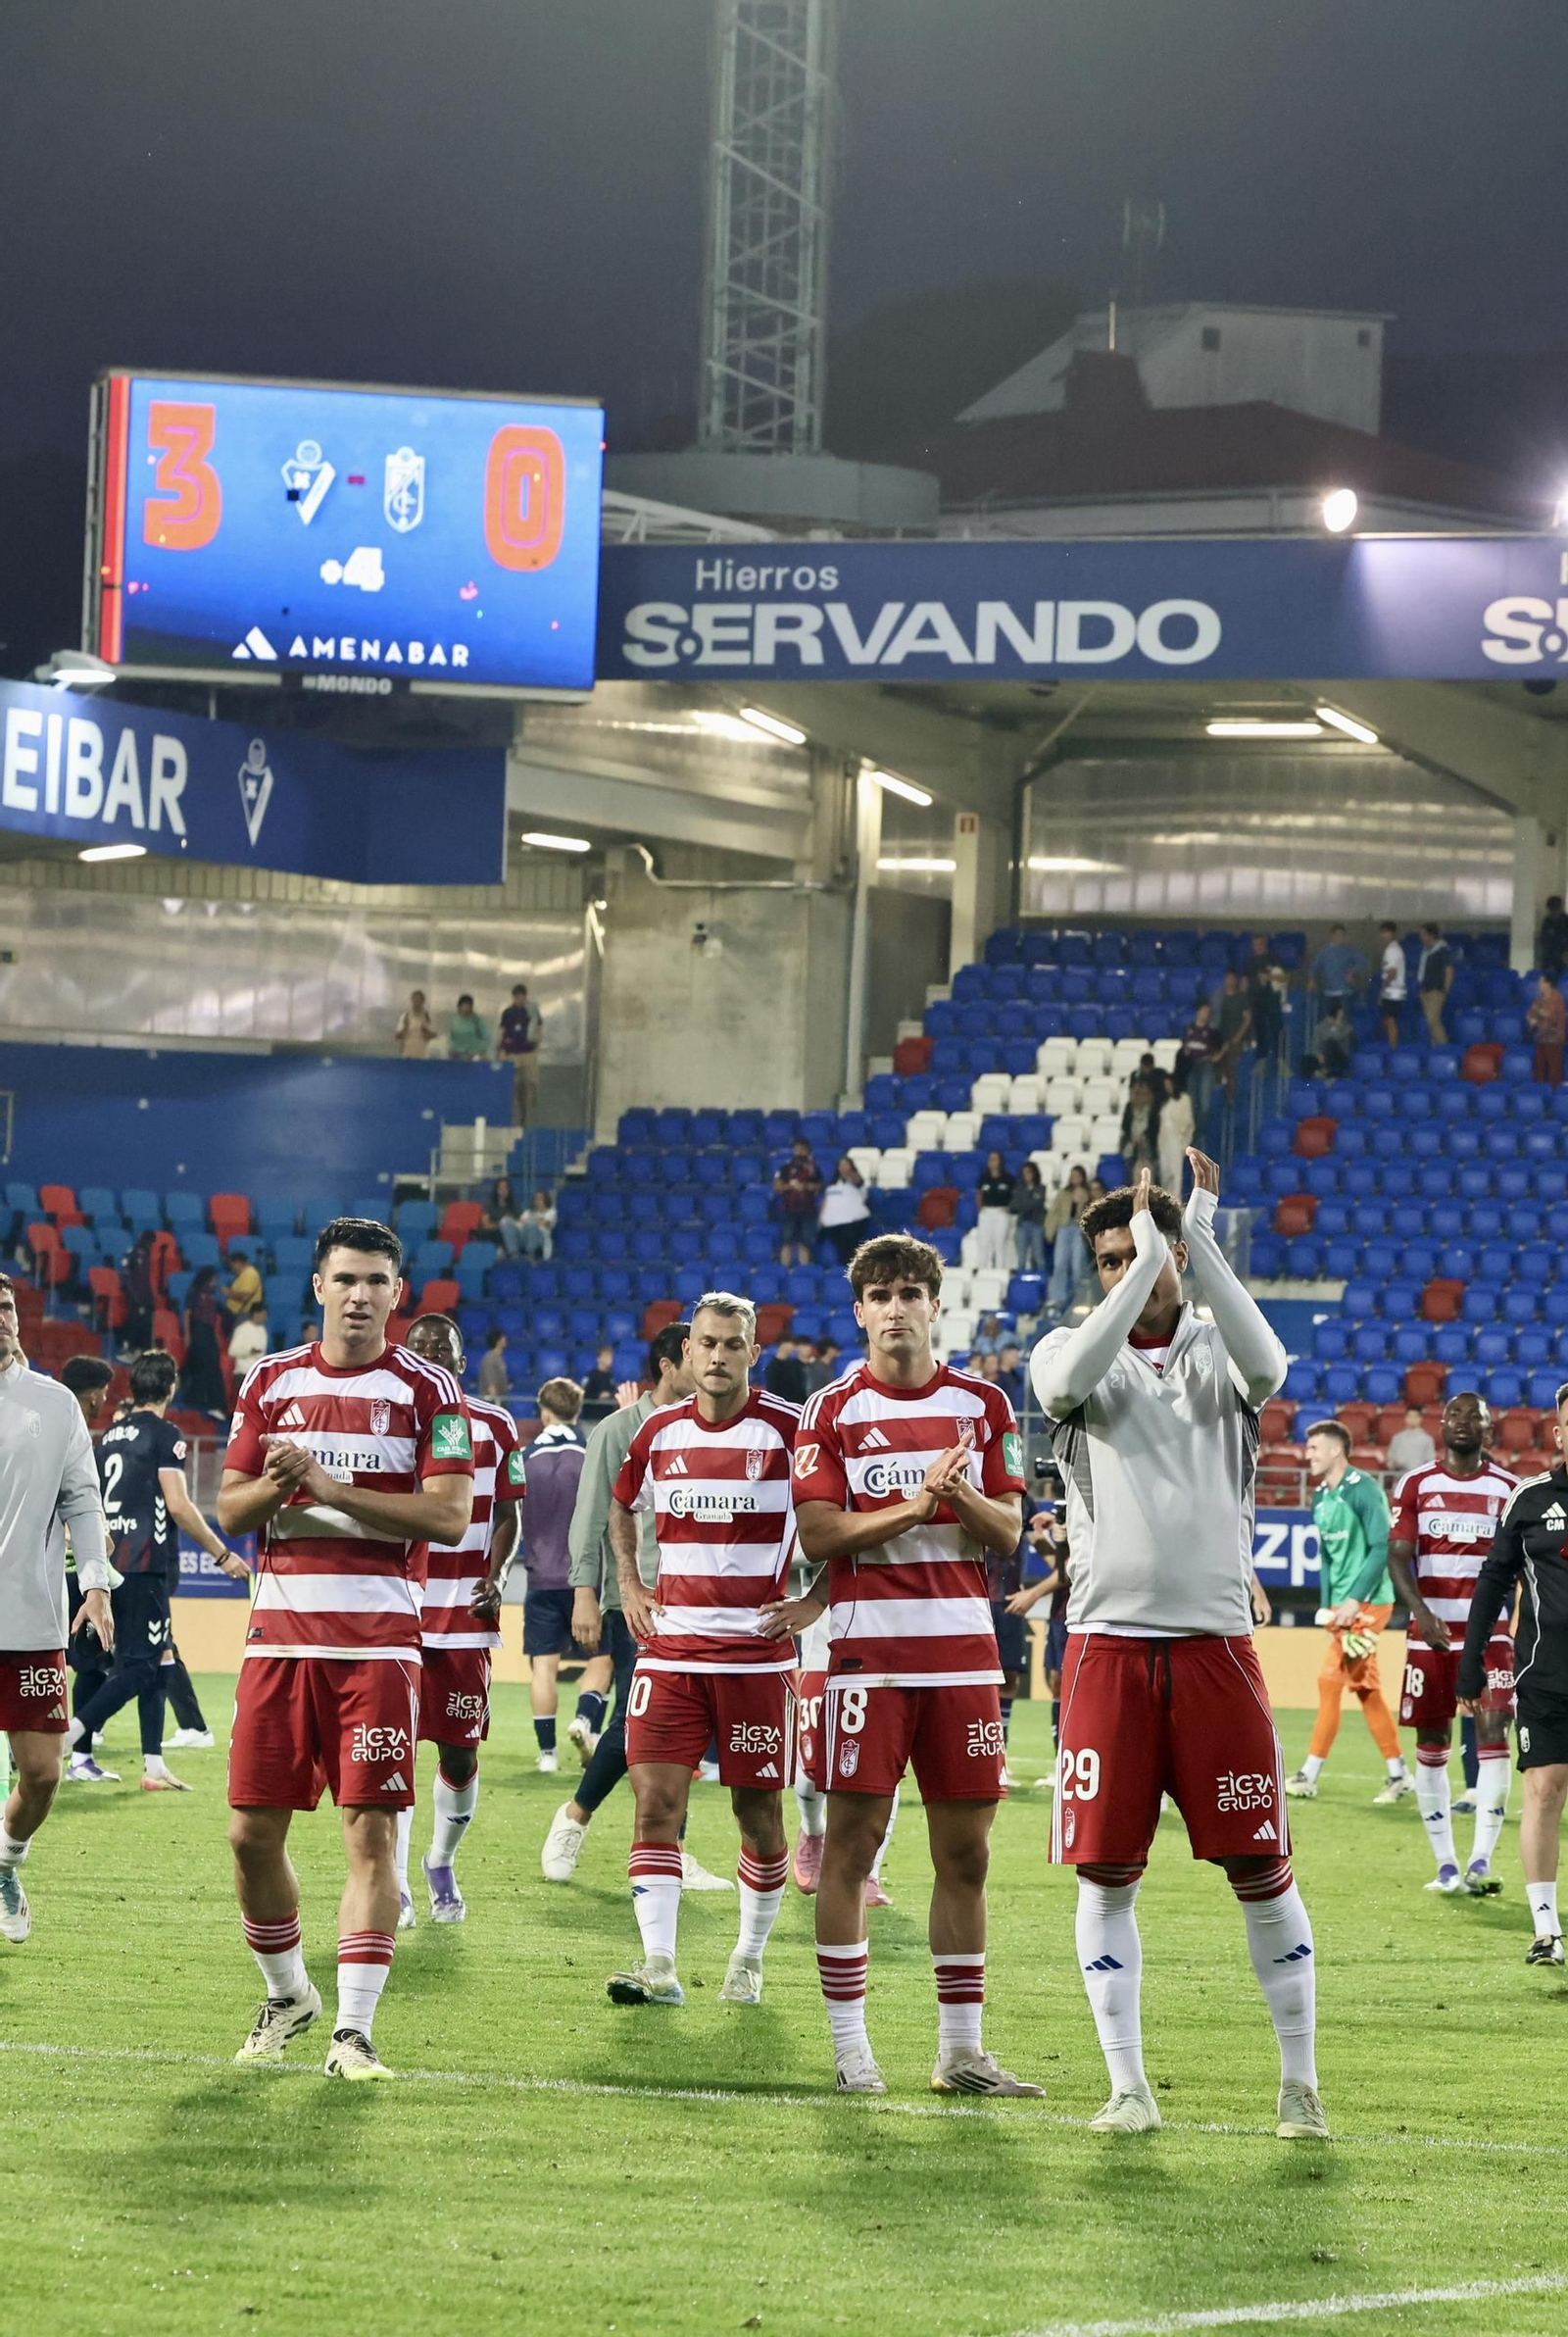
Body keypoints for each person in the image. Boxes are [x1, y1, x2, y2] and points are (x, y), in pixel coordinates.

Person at [1031, 1160, 1328, 2142]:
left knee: (1261, 1867)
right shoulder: (1066, 1351)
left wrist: (1186, 1248)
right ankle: (1126, 2084)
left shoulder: (1214, 1346)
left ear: (1180, 1260)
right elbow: (1070, 1381)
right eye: (1113, 1257)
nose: (1133, 1269)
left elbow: (1273, 1367)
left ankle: (1299, 2085)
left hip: (1215, 1650)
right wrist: (1152, 1250)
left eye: (1145, 1254)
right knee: (1105, 1875)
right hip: (1107, 1651)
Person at [777, 1233, 1041, 2099]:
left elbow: (1008, 1533)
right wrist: (914, 1505)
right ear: (859, 1313)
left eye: (910, 1292)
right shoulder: (829, 1412)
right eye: (880, 1295)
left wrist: (957, 1494)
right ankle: (853, 2052)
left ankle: (960, 2053)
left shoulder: (983, 1404)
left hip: (963, 1660)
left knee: (966, 1857)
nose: (896, 1308)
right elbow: (819, 1535)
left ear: (937, 1305)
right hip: (866, 1662)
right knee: (851, 1849)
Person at [217, 1217, 474, 2081]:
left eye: (376, 1282)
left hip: (379, 1647)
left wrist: (331, 1486)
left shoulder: (431, 1391)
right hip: (280, 1642)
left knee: (373, 1837)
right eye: (345, 1280)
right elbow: (230, 1511)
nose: (360, 1296)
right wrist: (276, 1484)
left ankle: (354, 2033)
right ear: (319, 1288)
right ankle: (290, 1994)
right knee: (250, 1835)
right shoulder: (270, 1381)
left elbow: (447, 1515)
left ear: (398, 1294)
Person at [604, 1294, 801, 2010]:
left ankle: (748, 1957)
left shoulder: (790, 1431)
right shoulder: (655, 1432)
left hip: (757, 1657)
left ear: (755, 1353)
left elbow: (845, 1519)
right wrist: (629, 1579)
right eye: (707, 1344)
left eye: (733, 1345)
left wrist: (816, 1600)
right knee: (655, 1805)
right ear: (686, 1354)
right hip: (672, 1650)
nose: (718, 1357)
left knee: (759, 1818)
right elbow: (621, 1503)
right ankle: (659, 1965)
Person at [541, 1324, 729, 1895]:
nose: (712, 1361)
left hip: (700, 1603)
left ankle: (667, 1850)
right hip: (637, 1600)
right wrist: (585, 1591)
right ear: (672, 1365)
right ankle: (574, 1818)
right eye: (700, 1351)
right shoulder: (619, 1429)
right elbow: (592, 1515)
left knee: (685, 1729)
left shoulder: (715, 1427)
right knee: (638, 1720)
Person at [65, 1350, 246, 1792]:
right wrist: (222, 1553)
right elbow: (179, 1504)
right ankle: (68, 1737)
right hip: (146, 1564)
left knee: (158, 1661)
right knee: (141, 1668)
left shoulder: (110, 1435)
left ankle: (153, 1763)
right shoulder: (167, 1435)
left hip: (110, 1564)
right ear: (171, 1387)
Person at [394, 1315, 524, 1926]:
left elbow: (507, 1516)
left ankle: (440, 1861)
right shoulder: (391, 1417)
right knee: (386, 1753)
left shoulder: (496, 1427)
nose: (428, 1358)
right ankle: (393, 1884)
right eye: (417, 1349)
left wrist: (496, 1577)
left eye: (440, 1350)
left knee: (460, 1754)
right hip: (396, 1610)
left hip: (464, 1615)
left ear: (461, 1362)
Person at [0, 1271, 113, 1946]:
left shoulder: (56, 1402)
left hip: (30, 1619)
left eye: (8, 1305)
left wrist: (95, 1581)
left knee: (43, 1773)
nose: (2, 1316)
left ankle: (6, 1861)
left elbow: (83, 1499)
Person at [1388, 1393, 1520, 1898]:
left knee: (1492, 1734)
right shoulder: (1416, 1484)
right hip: (1431, 1639)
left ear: (1490, 1428)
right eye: (1455, 1415)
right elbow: (1399, 1555)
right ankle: (1445, 1863)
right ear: (1441, 1424)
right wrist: (1421, 1613)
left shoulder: (1509, 1489)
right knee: (1433, 1741)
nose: (1464, 1422)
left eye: (1475, 1417)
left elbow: (1525, 1568)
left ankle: (1481, 1858)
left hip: (1489, 1638)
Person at [1458, 1382, 1568, 1966]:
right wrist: (1470, 1663)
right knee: (1544, 1792)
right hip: (1545, 1677)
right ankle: (1547, 1930)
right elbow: (1492, 1584)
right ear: (1558, 1434)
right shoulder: (1529, 1499)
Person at [1285, 1421, 1411, 1805]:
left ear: (1336, 1450)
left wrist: (1355, 1599)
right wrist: (1327, 1606)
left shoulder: (1364, 1490)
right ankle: (1398, 1773)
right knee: (1366, 1690)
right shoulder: (1320, 1497)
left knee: (1329, 1682)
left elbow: (1379, 1548)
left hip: (1370, 1602)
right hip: (1343, 1608)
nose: (1308, 1454)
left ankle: (1309, 1773)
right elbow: (1326, 1555)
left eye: (1314, 1447)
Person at [517, 1377, 610, 1773]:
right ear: (577, 1411)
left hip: (539, 1577)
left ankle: (547, 1756)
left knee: (543, 1667)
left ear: (544, 1411)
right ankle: (586, 1720)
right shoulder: (590, 1456)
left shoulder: (524, 1458)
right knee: (602, 1659)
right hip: (585, 1582)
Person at [57, 1356, 118, 1780]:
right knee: (93, 1661)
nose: (106, 1401)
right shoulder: (65, 1426)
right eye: (105, 1393)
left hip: (61, 1572)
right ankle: (77, 1753)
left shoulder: (50, 1420)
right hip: (70, 1573)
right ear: (93, 1392)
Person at [1006, 1505, 1069, 1751]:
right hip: (1059, 1611)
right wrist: (1040, 1536)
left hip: (1076, 1611)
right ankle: (1060, 1762)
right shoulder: (1063, 1523)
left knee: (1068, 1683)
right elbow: (1061, 1566)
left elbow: (1071, 1571)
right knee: (1056, 1681)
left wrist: (1032, 1594)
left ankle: (1069, 1758)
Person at [1045, 1166, 1092, 1317]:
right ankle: (1058, 1297)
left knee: (1077, 1265)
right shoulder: (1063, 1193)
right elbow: (1054, 1212)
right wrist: (1050, 1230)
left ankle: (1078, 1297)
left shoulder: (1087, 1193)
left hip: (1078, 1228)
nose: (1074, 1178)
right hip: (1064, 1228)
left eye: (1077, 1175)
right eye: (1072, 1175)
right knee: (1060, 1263)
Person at [180, 1266, 227, 1414]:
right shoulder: (194, 1292)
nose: (215, 1282)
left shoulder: (213, 1294)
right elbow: (187, 1313)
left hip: (208, 1331)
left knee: (213, 1364)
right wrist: (187, 1333)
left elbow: (212, 1317)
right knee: (202, 1363)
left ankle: (214, 1402)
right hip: (197, 1329)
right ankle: (199, 1399)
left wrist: (215, 1335)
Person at [496, 981, 543, 1127]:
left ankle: (526, 1120)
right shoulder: (508, 1013)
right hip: (513, 1054)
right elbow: (502, 1033)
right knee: (512, 1086)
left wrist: (536, 1047)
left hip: (528, 1054)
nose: (520, 999)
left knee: (528, 1087)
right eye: (517, 997)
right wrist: (501, 1051)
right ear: (513, 997)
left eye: (522, 997)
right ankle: (511, 1119)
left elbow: (539, 1030)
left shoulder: (532, 1012)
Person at [773, 1138, 823, 1268]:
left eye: (803, 1149)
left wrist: (805, 1186)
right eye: (797, 1149)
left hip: (807, 1210)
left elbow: (819, 1187)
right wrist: (791, 1186)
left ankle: (804, 1270)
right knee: (787, 1242)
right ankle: (784, 1270)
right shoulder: (786, 1167)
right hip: (788, 1209)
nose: (800, 1152)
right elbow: (777, 1186)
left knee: (804, 1243)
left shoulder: (813, 1168)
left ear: (808, 1151)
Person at [1176, 1001, 1220, 1143]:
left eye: (1208, 1012)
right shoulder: (1189, 1028)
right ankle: (1194, 1133)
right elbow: (1184, 1046)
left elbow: (1224, 1044)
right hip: (1191, 1066)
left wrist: (1217, 1056)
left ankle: (1201, 1131)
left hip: (1205, 1065)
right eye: (1204, 1011)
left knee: (1204, 1103)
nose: (1205, 1015)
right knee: (1192, 1101)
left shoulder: (1211, 1031)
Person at [818, 1157, 871, 1268]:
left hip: (852, 1223)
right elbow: (826, 1203)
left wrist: (849, 1173)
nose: (843, 1167)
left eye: (846, 1165)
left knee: (849, 1243)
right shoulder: (832, 1186)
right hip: (834, 1224)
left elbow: (858, 1182)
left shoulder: (856, 1183)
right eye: (841, 1165)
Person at [1245, 934, 1286, 1070]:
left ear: (1265, 943)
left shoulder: (1273, 958)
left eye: (1260, 944)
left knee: (1276, 1028)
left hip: (1271, 998)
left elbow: (1284, 977)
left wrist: (1269, 977)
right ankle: (1261, 1059)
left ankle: (1280, 1059)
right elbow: (1245, 981)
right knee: (1259, 1029)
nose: (1257, 947)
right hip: (1255, 999)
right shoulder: (1249, 961)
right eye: (1255, 944)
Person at [1307, 923, 1365, 1019]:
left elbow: (1362, 962)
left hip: (1344, 993)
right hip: (1329, 993)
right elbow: (1314, 967)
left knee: (1342, 1023)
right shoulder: (1324, 952)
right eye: (1338, 934)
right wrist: (1312, 980)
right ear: (1332, 935)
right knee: (1329, 1022)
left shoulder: (1349, 950)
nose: (1340, 937)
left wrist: (1352, 972)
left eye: (1342, 935)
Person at [1212, 970, 1252, 1107]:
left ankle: (1230, 1098)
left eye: (1232, 978)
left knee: (1231, 1068)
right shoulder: (1219, 995)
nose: (1229, 981)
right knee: (1217, 1066)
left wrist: (1238, 1037)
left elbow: (1247, 1018)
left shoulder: (1241, 997)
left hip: (1234, 1038)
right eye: (1227, 978)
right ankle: (1216, 1096)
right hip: (1218, 1037)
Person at [975, 1151, 1015, 1273]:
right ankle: (982, 1270)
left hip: (1001, 1212)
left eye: (995, 1159)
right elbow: (979, 1194)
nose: (992, 1162)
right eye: (990, 1159)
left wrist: (1009, 1207)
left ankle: (1000, 1271)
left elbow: (1014, 1195)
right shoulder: (983, 1177)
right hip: (986, 1212)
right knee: (984, 1243)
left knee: (1000, 1244)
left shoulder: (1008, 1178)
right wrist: (980, 1207)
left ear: (1000, 1161)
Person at [1416, 922, 1453, 1046]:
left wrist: (1445, 990)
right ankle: (1435, 1047)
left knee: (1432, 1020)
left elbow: (1449, 971)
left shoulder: (1442, 950)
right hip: (1425, 990)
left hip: (1436, 991)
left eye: (1423, 934)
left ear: (1431, 935)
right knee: (1431, 1022)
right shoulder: (1425, 951)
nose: (1421, 937)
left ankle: (1444, 1046)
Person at [1527, 972, 1566, 1087]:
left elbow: (1550, 1016)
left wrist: (1537, 1015)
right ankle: (1538, 1091)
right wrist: (1532, 1019)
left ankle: (1555, 1094)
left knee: (1554, 1071)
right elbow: (1531, 1012)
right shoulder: (1540, 997)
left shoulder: (1557, 997)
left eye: (1541, 982)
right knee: (1539, 1068)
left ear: (1548, 984)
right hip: (1541, 1037)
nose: (1539, 984)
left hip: (1554, 1039)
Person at [1009, 1159, 1047, 1277]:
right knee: (1021, 1257)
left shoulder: (1041, 1188)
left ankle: (1041, 1279)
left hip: (1036, 1225)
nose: (1026, 1175)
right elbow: (1014, 1205)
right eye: (1024, 1172)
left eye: (1029, 1172)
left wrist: (1023, 1203)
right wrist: (1028, 1200)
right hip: (1022, 1225)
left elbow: (1037, 1203)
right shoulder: (1019, 1189)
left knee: (1038, 1255)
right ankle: (1021, 1280)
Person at [121, 1229, 156, 1352]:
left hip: (145, 1295)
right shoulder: (132, 1252)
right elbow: (126, 1274)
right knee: (134, 1320)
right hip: (133, 1294)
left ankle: (143, 1350)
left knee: (147, 1322)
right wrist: (133, 1293)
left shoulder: (147, 1255)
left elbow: (145, 1279)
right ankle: (127, 1347)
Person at [1119, 1080, 1160, 1182]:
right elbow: (1125, 1126)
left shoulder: (1152, 1110)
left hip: (1148, 1147)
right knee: (1130, 1174)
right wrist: (1132, 1138)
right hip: (1131, 1146)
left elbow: (1154, 1128)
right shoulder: (1129, 1108)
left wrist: (1145, 1136)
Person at [1156, 1082, 1194, 1194]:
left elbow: (1189, 1124)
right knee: (1165, 1173)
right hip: (1164, 1140)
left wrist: (1185, 1143)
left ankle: (1176, 1201)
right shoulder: (1164, 1102)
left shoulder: (1184, 1099)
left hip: (1177, 1139)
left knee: (1176, 1174)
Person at [1377, 921, 1407, 1047]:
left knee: (1390, 1022)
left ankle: (1393, 1048)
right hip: (1393, 992)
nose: (1384, 935)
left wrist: (1382, 991)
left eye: (1386, 932)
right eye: (1382, 932)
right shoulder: (1392, 949)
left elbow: (1392, 972)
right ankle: (1391, 1045)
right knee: (1387, 1021)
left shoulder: (1392, 950)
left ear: (1393, 933)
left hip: (1392, 992)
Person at [1385, 1406, 1437, 1476]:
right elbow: (1390, 1461)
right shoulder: (1397, 1438)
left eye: (1415, 1417)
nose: (1412, 1419)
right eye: (1409, 1416)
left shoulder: (1427, 1440)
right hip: (1399, 1478)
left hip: (1418, 1479)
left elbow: (1430, 1462)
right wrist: (1394, 1465)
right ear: (1405, 1418)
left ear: (1420, 1419)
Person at [764, 1334, 809, 1407]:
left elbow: (800, 1389)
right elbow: (772, 1390)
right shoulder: (773, 1367)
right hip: (781, 1406)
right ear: (783, 1344)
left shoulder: (794, 1365)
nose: (793, 1347)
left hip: (796, 1406)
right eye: (791, 1343)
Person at [1314, 1003, 1354, 1080]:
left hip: (1342, 1056)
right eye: (1340, 1012)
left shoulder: (1345, 1026)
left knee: (1330, 1043)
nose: (1342, 1014)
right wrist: (1318, 1053)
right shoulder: (1322, 1026)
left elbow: (1337, 1037)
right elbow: (1318, 1042)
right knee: (1307, 1060)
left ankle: (1325, 1071)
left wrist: (1338, 1025)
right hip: (1325, 1056)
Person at [229, 1303, 270, 1376]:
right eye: (263, 1314)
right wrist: (249, 1351)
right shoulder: (242, 1329)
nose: (265, 1317)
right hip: (244, 1373)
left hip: (257, 1373)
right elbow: (232, 1350)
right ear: (256, 1314)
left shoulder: (262, 1331)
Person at [490, 1175, 526, 1258]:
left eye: (505, 1188)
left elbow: (520, 1222)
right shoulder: (491, 1204)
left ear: (509, 1190)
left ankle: (513, 1254)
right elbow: (486, 1223)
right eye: (500, 1188)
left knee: (507, 1223)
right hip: (497, 1233)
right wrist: (500, 1224)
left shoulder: (514, 1205)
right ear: (496, 1189)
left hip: (513, 1233)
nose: (503, 1190)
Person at [516, 1189, 556, 1264]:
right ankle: (513, 1255)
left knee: (531, 1225)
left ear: (545, 1200)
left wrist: (530, 1221)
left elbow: (545, 1223)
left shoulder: (551, 1212)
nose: (537, 1201)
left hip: (541, 1238)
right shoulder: (528, 1212)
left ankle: (530, 1254)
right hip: (525, 1236)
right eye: (536, 1198)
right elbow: (520, 1222)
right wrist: (536, 1221)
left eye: (540, 1198)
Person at [395, 990, 436, 1059]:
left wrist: (426, 1031)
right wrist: (405, 1027)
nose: (417, 1002)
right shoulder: (405, 1016)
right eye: (415, 999)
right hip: (407, 1052)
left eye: (419, 1000)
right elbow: (397, 1036)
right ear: (411, 1000)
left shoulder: (428, 1017)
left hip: (423, 1053)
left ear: (423, 1001)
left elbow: (434, 1035)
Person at [224, 1252, 264, 1323]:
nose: (231, 1269)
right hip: (241, 1315)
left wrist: (229, 1293)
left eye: (232, 1265)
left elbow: (245, 1297)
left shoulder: (249, 1274)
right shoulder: (242, 1275)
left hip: (245, 1315)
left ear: (238, 1263)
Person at [448, 993, 489, 1060]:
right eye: (464, 1007)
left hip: (473, 1055)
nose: (466, 1010)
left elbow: (486, 1039)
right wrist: (452, 1049)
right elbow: (452, 1038)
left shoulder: (477, 1020)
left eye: (468, 1007)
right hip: (457, 1054)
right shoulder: (455, 1021)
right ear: (459, 1007)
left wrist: (477, 1051)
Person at [1539, 894, 1568, 982]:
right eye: (1551, 910)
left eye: (1556, 909)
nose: (1553, 912)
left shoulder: (1566, 921)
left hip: (1564, 956)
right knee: (1549, 980)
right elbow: (1544, 940)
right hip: (1549, 957)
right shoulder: (1547, 921)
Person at [476, 1329, 510, 1405]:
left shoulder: (499, 1358)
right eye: (503, 1337)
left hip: (500, 1401)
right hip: (491, 1404)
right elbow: (491, 1385)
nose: (505, 1339)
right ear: (498, 1341)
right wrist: (496, 1405)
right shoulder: (490, 1359)